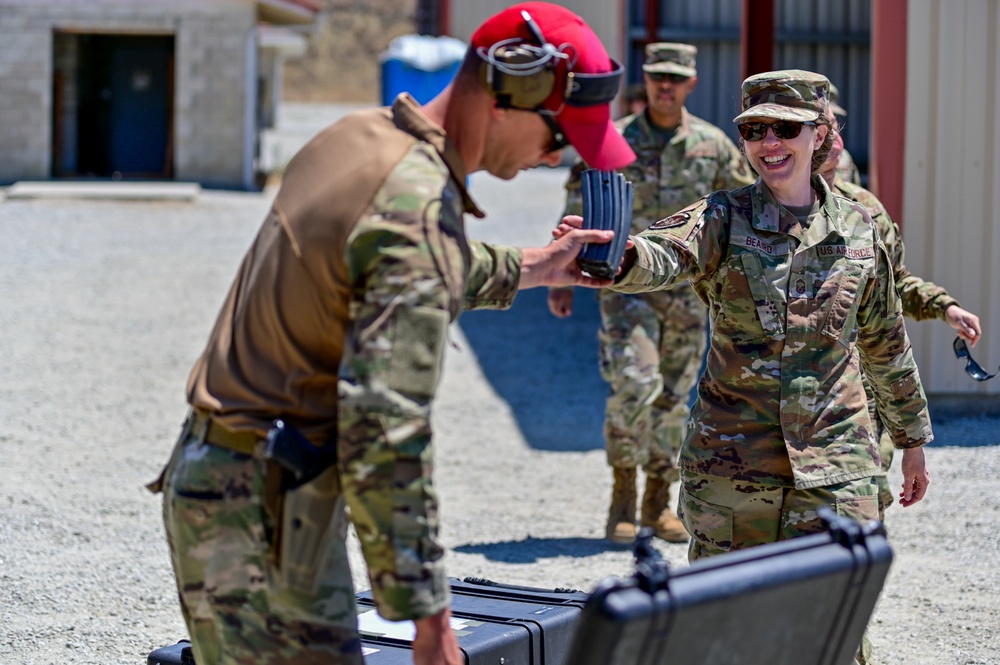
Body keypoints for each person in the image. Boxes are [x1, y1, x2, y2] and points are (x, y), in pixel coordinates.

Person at [145, 4, 635, 664]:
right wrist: (429, 619)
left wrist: (536, 265)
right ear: (502, 97)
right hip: (260, 512)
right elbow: (386, 424)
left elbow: (383, 271)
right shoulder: (416, 213)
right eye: (558, 136)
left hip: (233, 485)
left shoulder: (360, 137)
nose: (557, 157)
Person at [547, 42, 754, 545]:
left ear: (690, 84)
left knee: (671, 396)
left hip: (686, 294)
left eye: (675, 78)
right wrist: (559, 275)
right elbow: (578, 207)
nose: (665, 86)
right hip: (625, 288)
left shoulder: (713, 146)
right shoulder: (614, 142)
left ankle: (657, 502)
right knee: (635, 384)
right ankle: (621, 495)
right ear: (646, 80)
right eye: (657, 76)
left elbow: (745, 210)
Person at [818, 95, 982, 518]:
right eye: (822, 128)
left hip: (862, 392)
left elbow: (897, 282)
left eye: (837, 128)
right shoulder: (770, 210)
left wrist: (945, 307)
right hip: (796, 391)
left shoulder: (866, 209)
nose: (833, 138)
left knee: (861, 509)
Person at [828, 83, 862, 185]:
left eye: (835, 116)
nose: (834, 125)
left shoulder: (843, 156)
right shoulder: (800, 155)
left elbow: (854, 192)